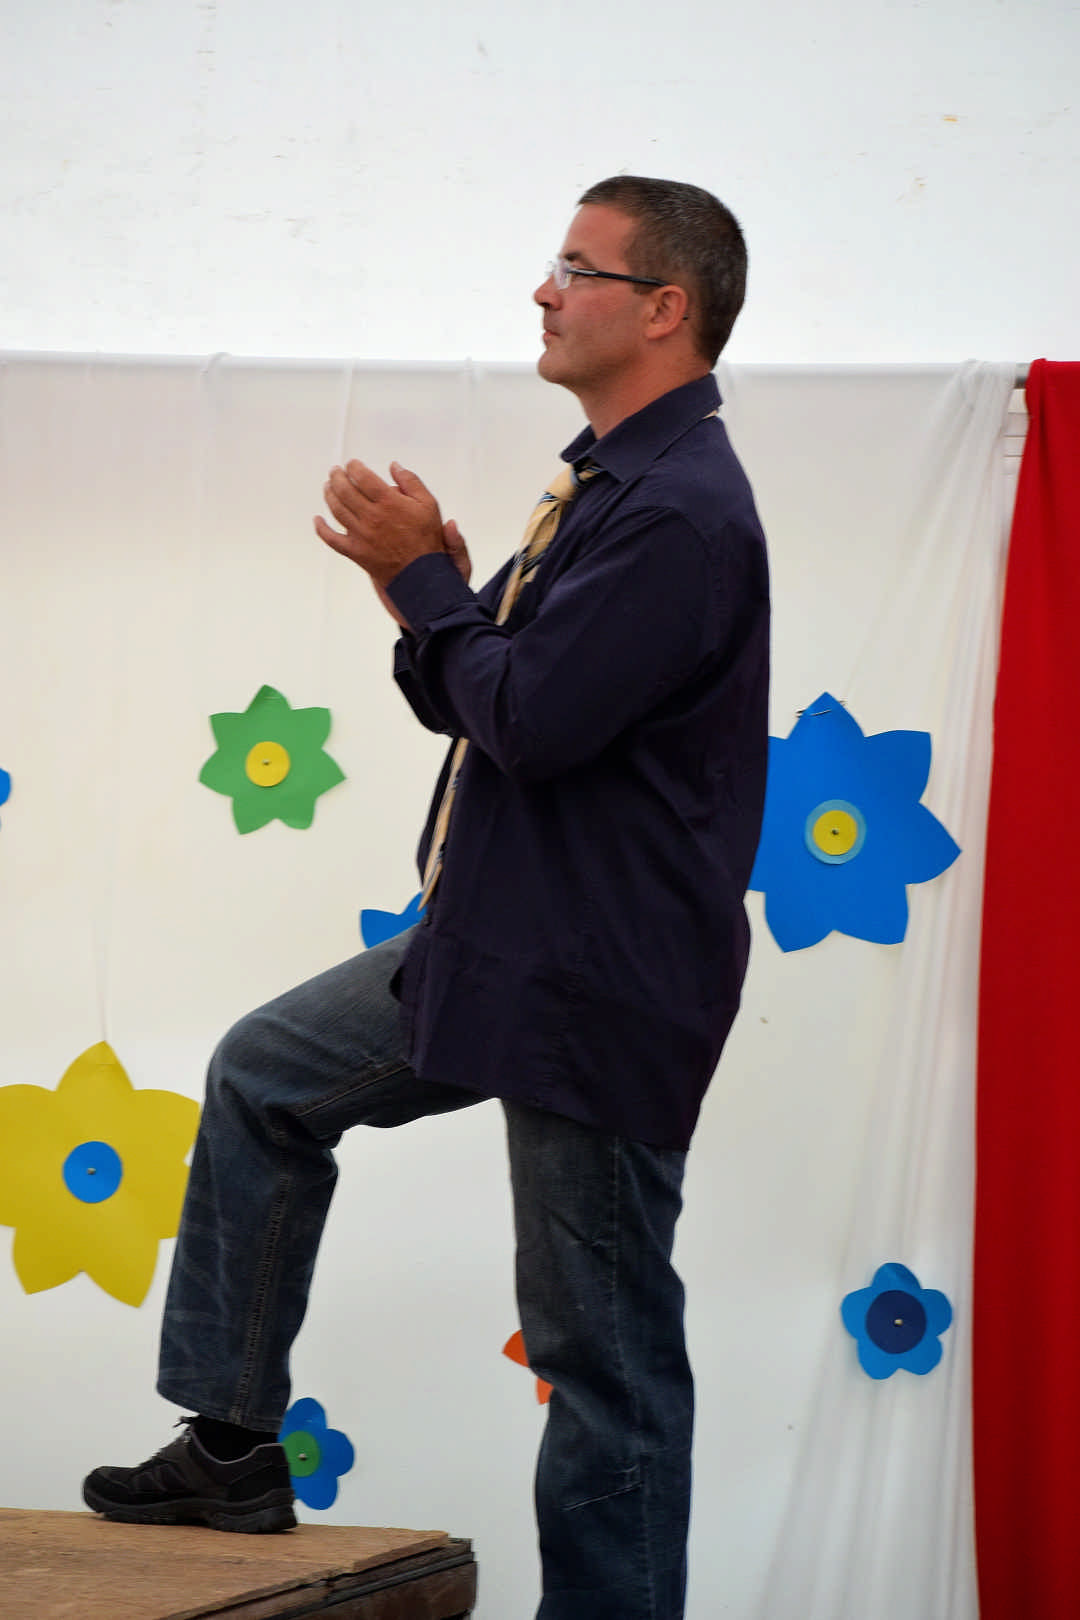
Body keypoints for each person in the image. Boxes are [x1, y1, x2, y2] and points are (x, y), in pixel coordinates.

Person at [82, 176, 770, 1620]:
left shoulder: (677, 514)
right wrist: (432, 591)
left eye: (577, 268)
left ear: (665, 309)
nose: (544, 290)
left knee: (601, 1349)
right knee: (267, 1076)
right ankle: (231, 1448)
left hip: (595, 978)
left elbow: (528, 718)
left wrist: (429, 588)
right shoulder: (610, 487)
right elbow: (484, 690)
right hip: (504, 942)